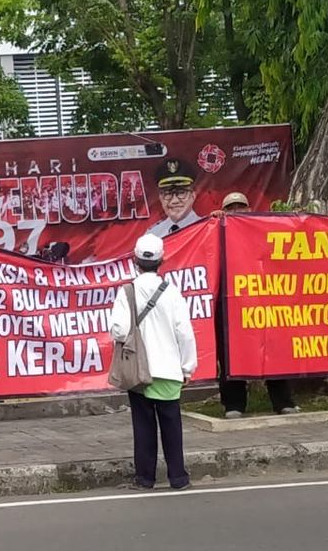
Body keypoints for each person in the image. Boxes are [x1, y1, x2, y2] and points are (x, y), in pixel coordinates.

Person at [111, 234, 197, 490]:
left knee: (143, 427)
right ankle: (178, 477)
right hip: (170, 369)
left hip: (139, 371)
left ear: (135, 260)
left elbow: (119, 330)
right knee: (172, 426)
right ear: (162, 260)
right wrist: (187, 366)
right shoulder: (172, 293)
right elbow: (185, 332)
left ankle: (145, 478)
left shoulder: (127, 291)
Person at [211, 192, 299, 418]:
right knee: (230, 355)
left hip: (262, 302)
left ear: (249, 209)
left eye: (241, 207)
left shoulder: (261, 229)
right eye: (231, 208)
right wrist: (214, 223)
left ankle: (283, 402)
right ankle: (234, 405)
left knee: (272, 351)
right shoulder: (215, 230)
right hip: (228, 305)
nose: (236, 212)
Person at [148, 158, 203, 238]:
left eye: (181, 193)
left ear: (193, 195)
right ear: (160, 198)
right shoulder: (153, 235)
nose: (174, 200)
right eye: (168, 193)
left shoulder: (206, 230)